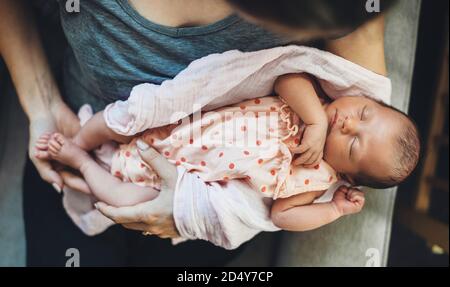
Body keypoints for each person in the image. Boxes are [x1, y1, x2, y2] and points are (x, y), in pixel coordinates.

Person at [0, 0, 396, 266]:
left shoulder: (320, 177)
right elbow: (289, 76)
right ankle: (81, 156)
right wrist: (43, 103)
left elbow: (281, 212)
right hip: (98, 123)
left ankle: (85, 166)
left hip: (197, 208)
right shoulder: (312, 112)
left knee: (124, 199)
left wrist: (196, 214)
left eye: (355, 143)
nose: (350, 123)